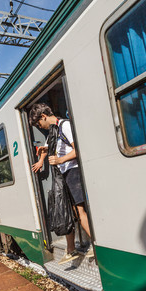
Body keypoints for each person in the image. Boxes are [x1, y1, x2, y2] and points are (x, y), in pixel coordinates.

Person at [29, 103, 94, 264]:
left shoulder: (64, 126)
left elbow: (78, 149)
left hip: (73, 171)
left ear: (43, 117)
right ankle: (71, 249)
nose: (40, 127)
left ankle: (97, 245)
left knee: (80, 210)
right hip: (64, 173)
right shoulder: (53, 131)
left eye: (39, 124)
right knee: (68, 211)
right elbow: (46, 148)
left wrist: (60, 160)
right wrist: (41, 160)